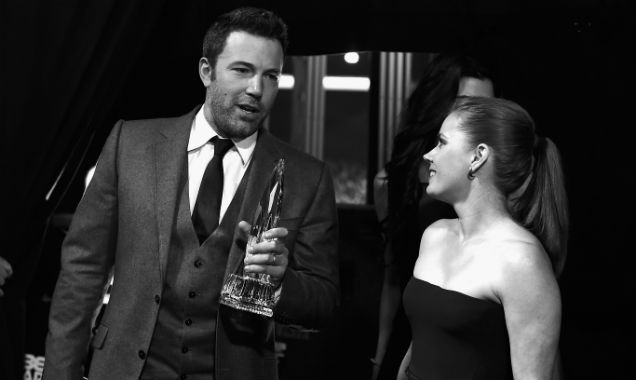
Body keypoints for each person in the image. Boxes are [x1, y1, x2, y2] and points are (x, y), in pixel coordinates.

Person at [43, 7, 339, 380]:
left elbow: (323, 300)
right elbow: (82, 270)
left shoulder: (306, 176)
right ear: (206, 71)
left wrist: (281, 283)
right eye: (242, 70)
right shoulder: (130, 144)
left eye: (271, 76)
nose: (257, 89)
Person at [397, 96, 568, 379]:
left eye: (441, 142)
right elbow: (421, 344)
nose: (429, 154)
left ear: (477, 157)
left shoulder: (521, 260)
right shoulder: (435, 234)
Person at [372, 54, 495, 379]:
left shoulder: (494, 181)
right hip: (410, 332)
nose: (477, 117)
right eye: (466, 104)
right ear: (438, 104)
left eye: (487, 108)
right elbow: (393, 277)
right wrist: (381, 355)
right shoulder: (393, 181)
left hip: (467, 337)